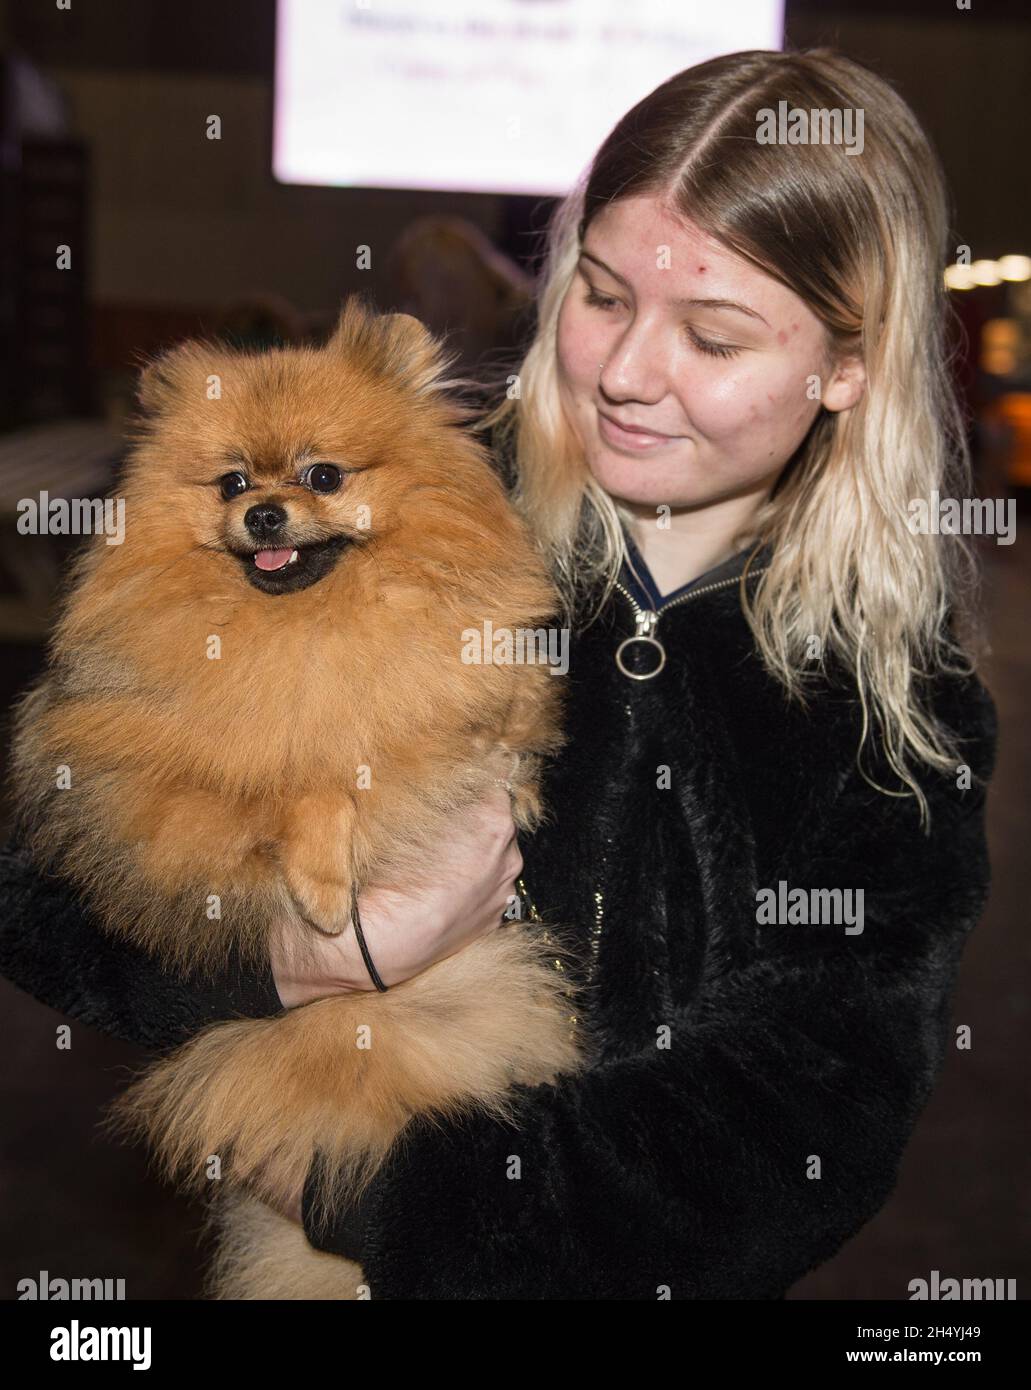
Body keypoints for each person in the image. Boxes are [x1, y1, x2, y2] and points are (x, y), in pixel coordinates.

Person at [0, 47, 998, 1300]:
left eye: (711, 332)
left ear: (846, 366)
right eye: (599, 295)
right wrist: (299, 959)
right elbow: (40, 870)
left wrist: (372, 1197)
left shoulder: (892, 710)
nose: (628, 373)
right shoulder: (407, 509)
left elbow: (800, 1130)